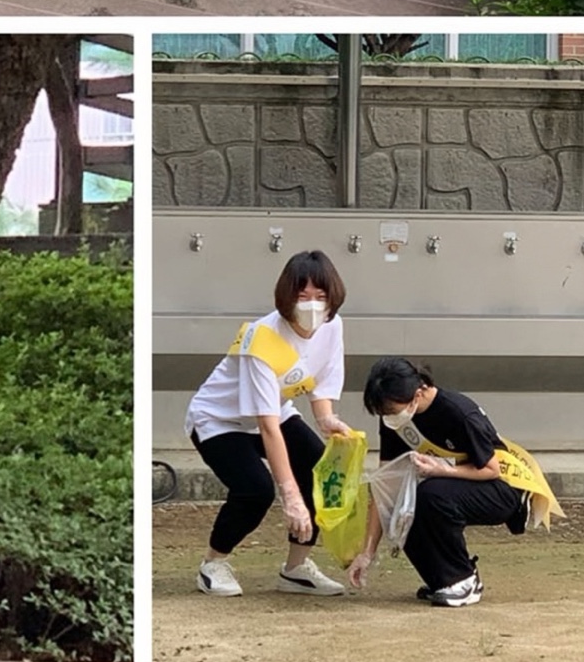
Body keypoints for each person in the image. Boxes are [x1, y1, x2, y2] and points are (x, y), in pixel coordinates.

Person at [184, 250, 352, 597]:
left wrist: (325, 418)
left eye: (320, 297)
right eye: (302, 297)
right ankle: (213, 563)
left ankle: (296, 569)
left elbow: (322, 379)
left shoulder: (332, 325)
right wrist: (290, 495)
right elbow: (267, 426)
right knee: (256, 489)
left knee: (320, 470)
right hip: (219, 419)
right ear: (286, 297)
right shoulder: (261, 339)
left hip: (277, 409)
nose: (312, 306)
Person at [347, 357, 563, 607]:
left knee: (430, 495)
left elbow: (491, 469)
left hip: (501, 489)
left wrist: (443, 470)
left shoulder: (459, 412)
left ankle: (464, 579)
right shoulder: (395, 420)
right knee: (402, 505)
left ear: (418, 394)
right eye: (384, 413)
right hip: (453, 484)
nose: (389, 418)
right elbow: (386, 485)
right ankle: (442, 580)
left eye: (393, 411)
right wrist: (367, 553)